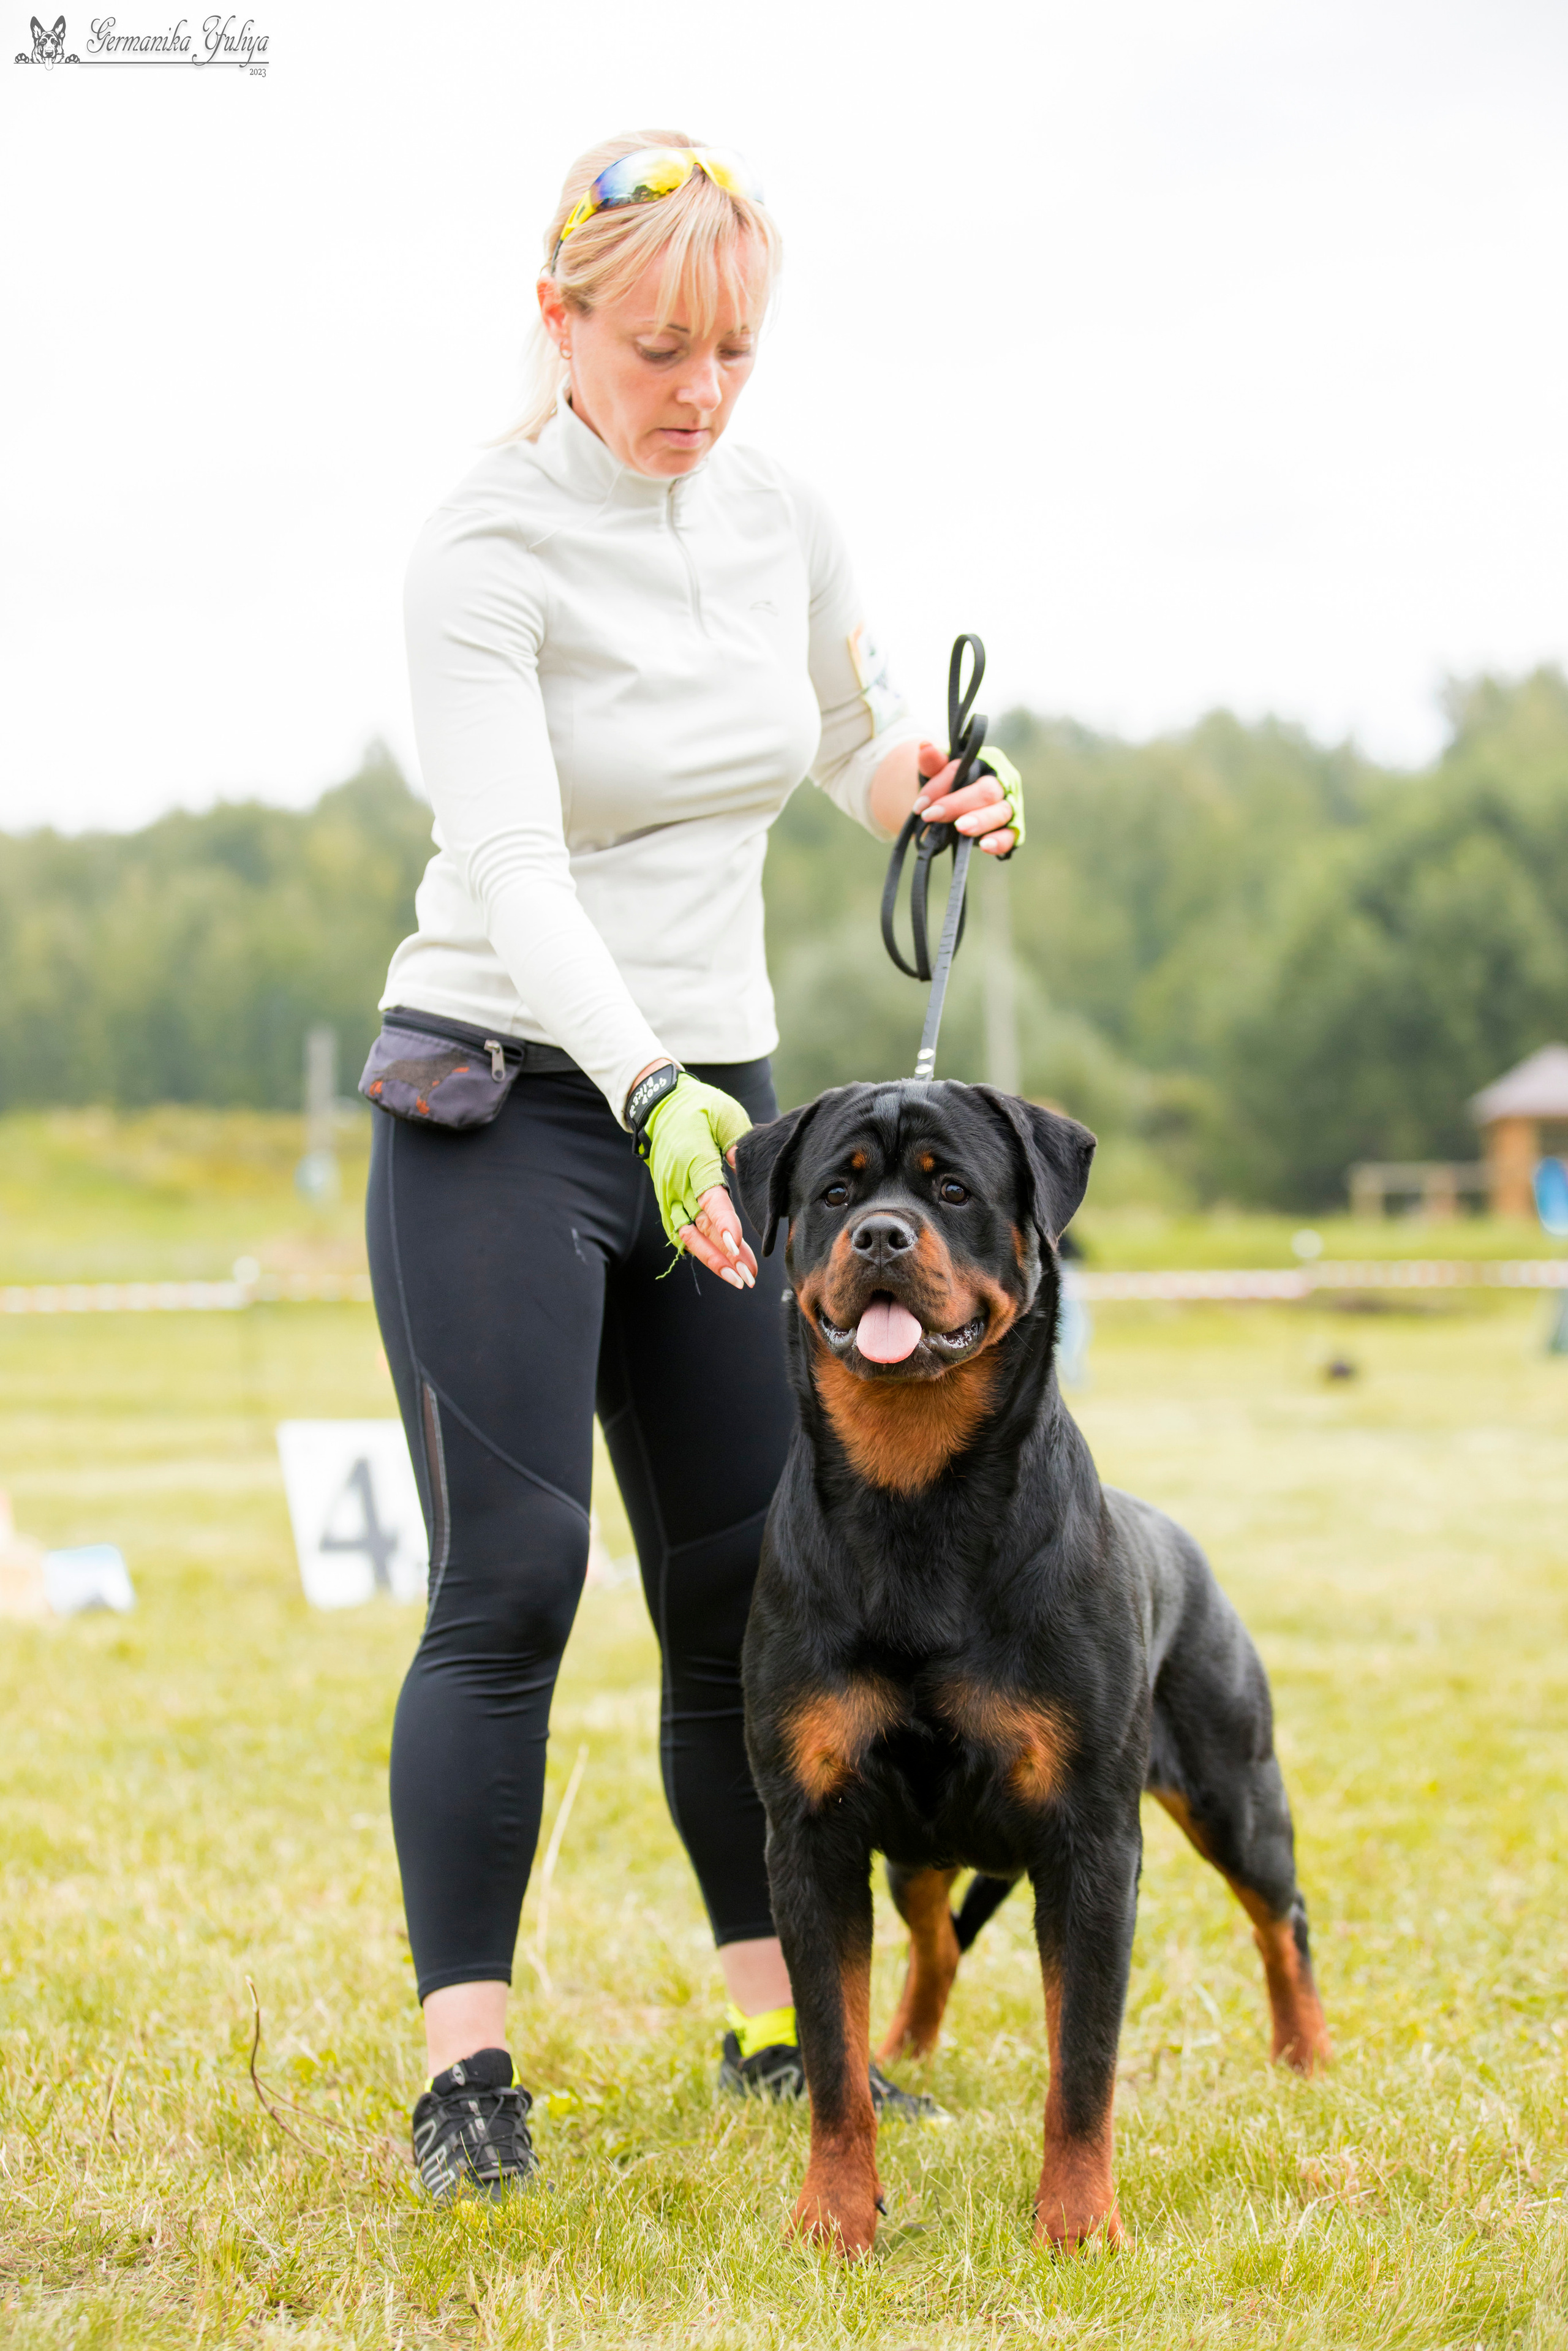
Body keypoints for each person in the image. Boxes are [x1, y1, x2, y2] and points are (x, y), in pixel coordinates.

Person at [363, 130, 1025, 2202]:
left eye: (734, 350)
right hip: (511, 1087)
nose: (700, 391)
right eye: (658, 348)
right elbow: (515, 865)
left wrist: (925, 784)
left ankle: (775, 2021)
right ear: (555, 321)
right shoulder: (482, 551)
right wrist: (645, 1089)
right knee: (516, 1582)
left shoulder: (775, 513)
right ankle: (466, 2071)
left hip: (716, 1100)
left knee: (751, 1585)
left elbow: (832, 740)